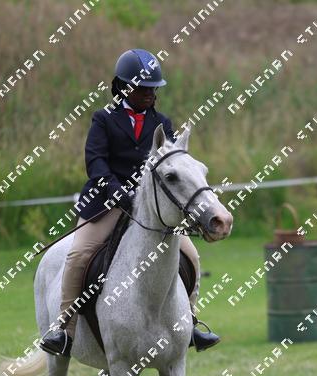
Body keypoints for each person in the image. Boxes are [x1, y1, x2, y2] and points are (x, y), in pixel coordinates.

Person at [39, 48, 220, 358]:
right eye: (143, 88)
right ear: (124, 87)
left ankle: (191, 321)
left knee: (191, 255)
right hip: (107, 205)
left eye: (154, 88)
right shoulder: (103, 119)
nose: (150, 94)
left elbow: (170, 164)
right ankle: (63, 329)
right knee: (79, 255)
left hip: (151, 209)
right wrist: (120, 194)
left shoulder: (162, 122)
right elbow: (96, 164)